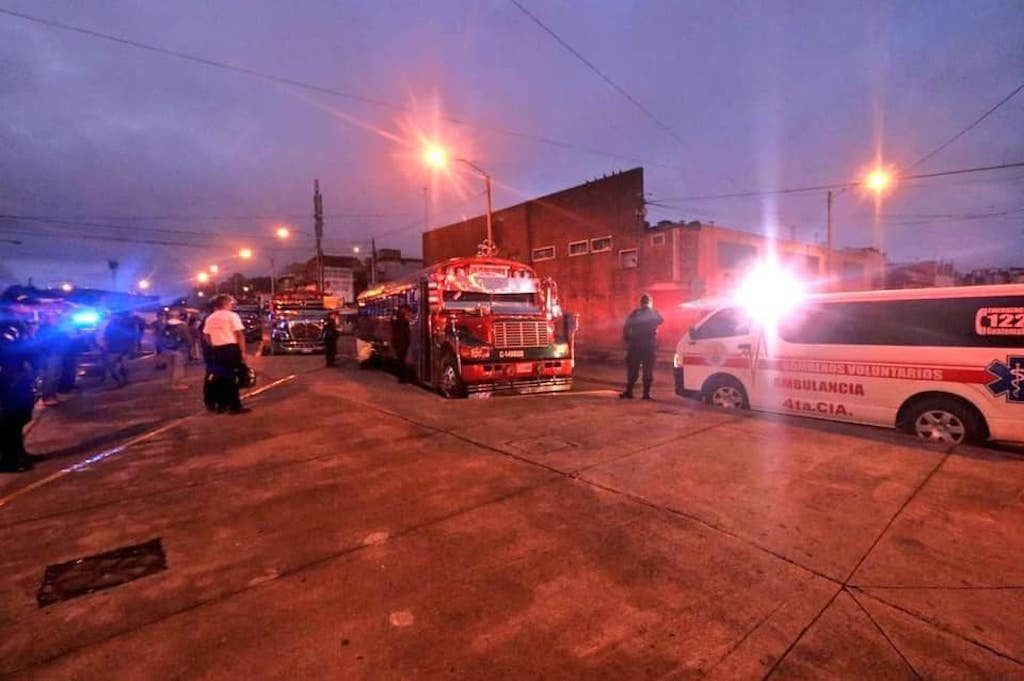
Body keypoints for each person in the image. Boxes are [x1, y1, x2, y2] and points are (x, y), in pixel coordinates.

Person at [0, 315, 38, 472]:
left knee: (19, 417)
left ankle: (18, 453)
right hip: (7, 377)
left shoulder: (16, 324)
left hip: (18, 374)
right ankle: (8, 460)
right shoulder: (5, 325)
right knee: (8, 419)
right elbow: (9, 351)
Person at [202, 295, 249, 414]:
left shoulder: (210, 318)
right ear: (226, 303)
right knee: (232, 377)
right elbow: (239, 334)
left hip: (217, 350)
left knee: (220, 377)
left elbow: (206, 335)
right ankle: (234, 406)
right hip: (231, 349)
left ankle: (220, 404)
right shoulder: (232, 316)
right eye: (230, 303)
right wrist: (243, 351)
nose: (232, 305)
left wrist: (213, 345)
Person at [620, 294, 664, 400]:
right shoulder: (654, 313)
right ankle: (646, 393)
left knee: (633, 369)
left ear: (641, 303)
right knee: (647, 370)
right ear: (650, 303)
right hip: (649, 346)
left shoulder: (635, 313)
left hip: (635, 345)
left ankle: (629, 392)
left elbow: (626, 327)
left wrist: (628, 340)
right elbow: (661, 320)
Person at [101, 312, 136, 388]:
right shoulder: (112, 326)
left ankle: (121, 381)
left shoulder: (119, 325)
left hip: (119, 349)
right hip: (115, 349)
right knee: (116, 366)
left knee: (118, 366)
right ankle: (121, 381)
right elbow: (106, 337)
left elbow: (130, 336)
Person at [161, 310, 191, 390]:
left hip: (167, 349)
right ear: (178, 316)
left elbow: (160, 337)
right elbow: (187, 337)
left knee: (171, 367)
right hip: (179, 349)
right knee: (179, 367)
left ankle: (172, 383)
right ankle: (177, 384)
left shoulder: (164, 325)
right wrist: (189, 346)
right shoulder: (182, 325)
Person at [391, 304, 412, 383]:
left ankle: (401, 377)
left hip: (401, 340)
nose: (406, 311)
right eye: (405, 310)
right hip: (400, 341)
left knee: (401, 359)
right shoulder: (401, 319)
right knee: (401, 359)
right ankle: (401, 377)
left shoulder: (397, 318)